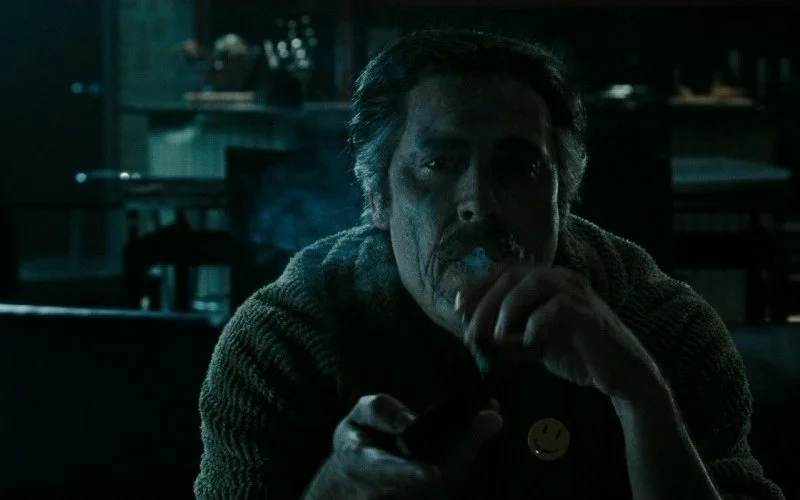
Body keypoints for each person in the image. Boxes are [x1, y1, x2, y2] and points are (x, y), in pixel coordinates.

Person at [194, 30, 783, 499]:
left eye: (518, 167)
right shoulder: (283, 340)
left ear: (563, 197)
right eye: (437, 164)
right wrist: (340, 487)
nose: (478, 201)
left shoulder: (664, 324)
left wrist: (640, 395)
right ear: (378, 197)